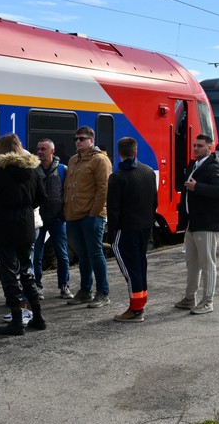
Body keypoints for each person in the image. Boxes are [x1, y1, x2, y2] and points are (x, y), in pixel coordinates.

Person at [0, 133, 47, 336]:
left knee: (10, 274)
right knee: (26, 271)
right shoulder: (33, 169)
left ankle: (17, 321)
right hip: (26, 223)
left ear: (1, 150)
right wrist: (25, 206)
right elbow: (41, 197)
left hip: (4, 224)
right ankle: (38, 317)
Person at [175, 134, 219, 315]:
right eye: (194, 145)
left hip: (207, 223)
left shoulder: (213, 166)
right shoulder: (194, 165)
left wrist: (197, 187)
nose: (195, 148)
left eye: (199, 146)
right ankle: (190, 298)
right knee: (192, 263)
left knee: (207, 263)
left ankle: (208, 300)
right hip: (193, 223)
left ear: (209, 148)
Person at [107, 137, 157, 323]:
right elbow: (154, 202)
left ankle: (136, 310)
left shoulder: (117, 177)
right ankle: (140, 304)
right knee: (140, 267)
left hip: (125, 230)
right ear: (136, 152)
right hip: (144, 227)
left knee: (130, 270)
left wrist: (112, 235)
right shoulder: (148, 172)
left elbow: (113, 210)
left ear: (119, 153)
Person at [64, 126, 113, 308]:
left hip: (91, 215)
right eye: (76, 138)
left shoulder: (100, 160)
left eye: (82, 138)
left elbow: (103, 189)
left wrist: (94, 212)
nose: (78, 141)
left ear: (92, 141)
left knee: (95, 253)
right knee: (82, 255)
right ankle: (85, 291)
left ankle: (103, 292)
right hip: (74, 215)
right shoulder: (73, 160)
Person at [34, 139, 73, 300]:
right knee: (36, 255)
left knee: (62, 254)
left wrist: (63, 215)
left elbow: (68, 195)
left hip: (57, 219)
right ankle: (36, 286)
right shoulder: (33, 170)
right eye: (38, 149)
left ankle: (64, 286)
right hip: (38, 219)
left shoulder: (63, 170)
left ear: (52, 151)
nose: (40, 151)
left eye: (43, 149)